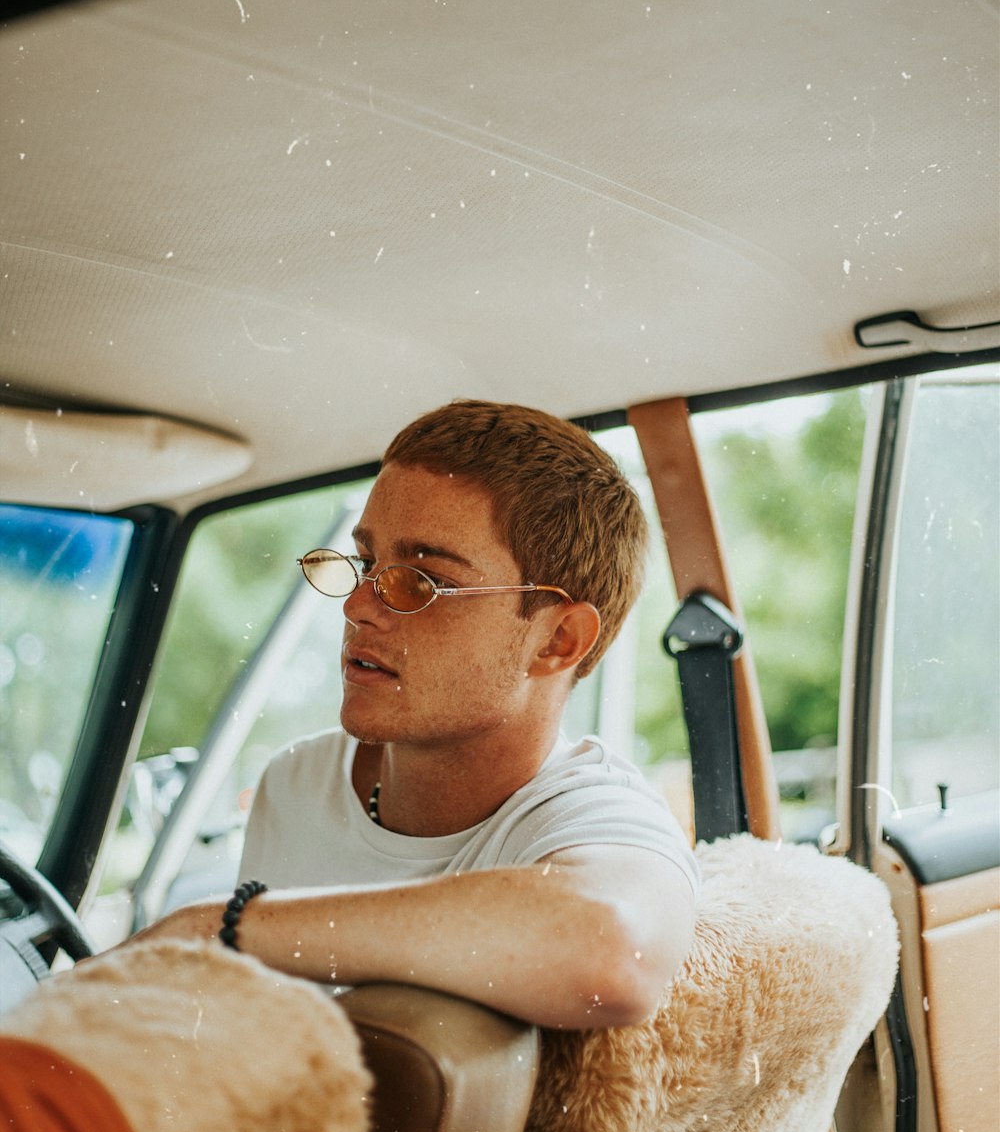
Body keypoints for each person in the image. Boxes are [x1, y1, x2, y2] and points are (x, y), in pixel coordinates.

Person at [146, 400, 698, 1029]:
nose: (356, 606)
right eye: (366, 563)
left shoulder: (594, 815)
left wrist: (227, 924)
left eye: (419, 579)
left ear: (557, 641)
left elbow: (614, 956)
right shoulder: (296, 783)